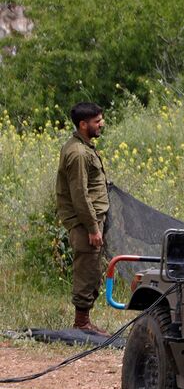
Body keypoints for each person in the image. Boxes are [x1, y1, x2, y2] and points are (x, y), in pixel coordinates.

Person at [56, 102, 110, 335]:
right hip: (84, 221)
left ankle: (84, 321)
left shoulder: (83, 146)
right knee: (87, 270)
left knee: (92, 268)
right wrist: (92, 228)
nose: (102, 124)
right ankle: (81, 323)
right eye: (97, 121)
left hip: (91, 219)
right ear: (83, 124)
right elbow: (80, 194)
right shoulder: (77, 153)